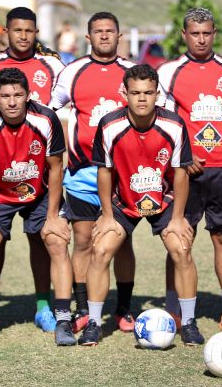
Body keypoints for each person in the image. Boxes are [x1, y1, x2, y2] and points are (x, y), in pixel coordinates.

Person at [79, 64, 205, 346]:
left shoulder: (173, 124)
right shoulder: (110, 125)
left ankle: (189, 322)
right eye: (135, 92)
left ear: (157, 94)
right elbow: (105, 172)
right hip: (123, 201)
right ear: (125, 93)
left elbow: (182, 173)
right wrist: (108, 216)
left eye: (148, 92)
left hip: (164, 199)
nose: (142, 99)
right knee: (100, 250)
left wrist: (178, 218)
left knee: (181, 247)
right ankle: (94, 323)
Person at [0, 6, 65, 332]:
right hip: (1, 173)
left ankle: (43, 307)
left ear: (36, 32)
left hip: (39, 170)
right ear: (6, 32)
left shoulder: (52, 64)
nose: (23, 36)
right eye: (17, 30)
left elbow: (65, 112)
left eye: (29, 30)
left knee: (44, 239)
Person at [0, 68, 75, 347]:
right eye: (5, 96)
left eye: (18, 95)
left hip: (39, 192)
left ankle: (63, 320)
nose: (12, 102)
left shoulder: (46, 118)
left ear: (28, 95)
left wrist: (53, 216)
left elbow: (56, 167)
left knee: (56, 239)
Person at [157, 7, 222, 330]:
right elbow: (164, 124)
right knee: (180, 239)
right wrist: (183, 157)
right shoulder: (169, 72)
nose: (201, 39)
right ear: (184, 35)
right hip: (185, 172)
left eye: (206, 33)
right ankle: (175, 309)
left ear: (215, 34)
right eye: (194, 33)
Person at [50, 12, 139, 334]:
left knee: (122, 241)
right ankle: (84, 307)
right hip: (83, 173)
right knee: (83, 240)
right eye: (98, 32)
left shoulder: (132, 73)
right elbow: (49, 111)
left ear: (119, 35)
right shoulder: (72, 72)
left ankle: (124, 308)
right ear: (88, 37)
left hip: (122, 176)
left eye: (110, 31)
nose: (104, 36)